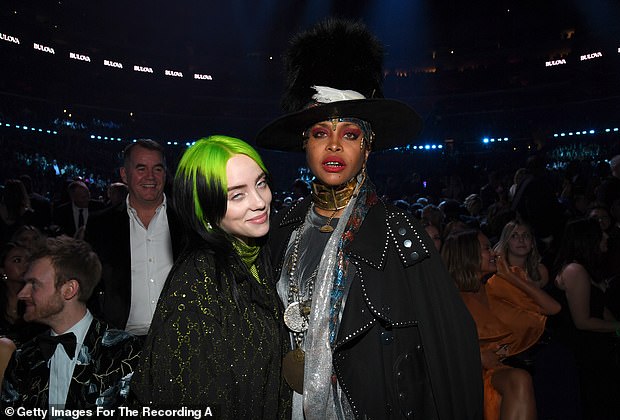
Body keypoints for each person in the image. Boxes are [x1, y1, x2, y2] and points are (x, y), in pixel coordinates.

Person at [256, 18, 482, 419]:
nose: (335, 145)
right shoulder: (278, 233)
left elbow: (451, 349)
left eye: (351, 134)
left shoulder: (401, 232)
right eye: (320, 132)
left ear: (368, 147)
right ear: (303, 145)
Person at [131, 136, 290, 418]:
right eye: (237, 195)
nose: (260, 202)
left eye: (261, 183)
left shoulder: (256, 254)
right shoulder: (195, 286)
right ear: (205, 210)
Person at [0, 236, 142, 411]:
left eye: (34, 284)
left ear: (69, 289)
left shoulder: (127, 351)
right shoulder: (23, 358)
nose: (22, 294)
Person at [84, 139, 183, 335]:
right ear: (124, 175)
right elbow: (88, 287)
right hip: (121, 343)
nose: (150, 177)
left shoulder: (188, 221)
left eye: (157, 169)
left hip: (180, 339)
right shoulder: (101, 225)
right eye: (141, 169)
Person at [441, 229, 541, 420]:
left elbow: (551, 309)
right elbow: (439, 343)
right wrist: (476, 355)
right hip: (462, 374)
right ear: (469, 255)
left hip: (492, 368)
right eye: (487, 248)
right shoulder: (447, 296)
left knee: (521, 378)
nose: (495, 252)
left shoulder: (489, 288)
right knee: (518, 379)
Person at [551, 218, 620, 419]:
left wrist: (619, 331)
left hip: (594, 345)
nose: (606, 236)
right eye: (600, 233)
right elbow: (583, 321)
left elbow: (600, 308)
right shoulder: (574, 270)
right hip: (582, 351)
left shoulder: (585, 267)